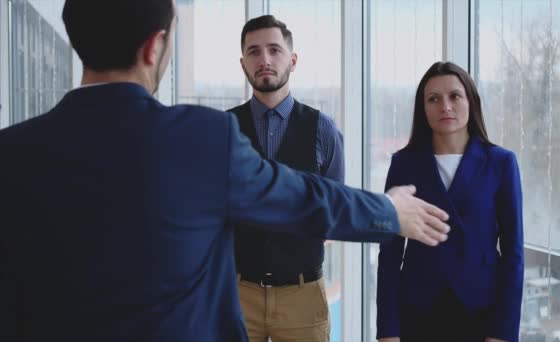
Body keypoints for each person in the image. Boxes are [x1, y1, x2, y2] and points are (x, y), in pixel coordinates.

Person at [0, 1, 451, 341]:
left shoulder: (11, 152)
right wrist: (388, 211)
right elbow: (301, 196)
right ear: (155, 46)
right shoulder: (203, 136)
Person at [376, 62, 524, 342]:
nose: (445, 106)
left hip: (481, 310)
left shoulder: (501, 163)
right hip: (418, 310)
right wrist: (388, 331)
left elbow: (513, 253)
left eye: (455, 96)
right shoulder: (404, 163)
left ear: (471, 101)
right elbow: (390, 252)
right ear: (423, 108)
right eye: (434, 99)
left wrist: (503, 332)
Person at [227, 15, 343, 342]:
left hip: (303, 298)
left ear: (293, 60)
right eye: (254, 52)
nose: (264, 59)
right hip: (236, 294)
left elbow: (334, 211)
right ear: (243, 64)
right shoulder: (223, 129)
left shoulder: (324, 129)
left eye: (274, 50)